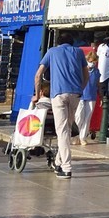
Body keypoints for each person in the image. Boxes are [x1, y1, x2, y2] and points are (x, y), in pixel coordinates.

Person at [35, 39, 89, 179]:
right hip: (75, 93)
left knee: (62, 131)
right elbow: (86, 74)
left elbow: (38, 74)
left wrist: (37, 95)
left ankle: (66, 167)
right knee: (68, 128)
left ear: (58, 42)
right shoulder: (79, 52)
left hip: (58, 93)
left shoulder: (52, 51)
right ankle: (58, 162)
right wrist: (80, 89)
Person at [73, 52, 99, 146]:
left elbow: (97, 83)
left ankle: (82, 137)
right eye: (91, 61)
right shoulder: (81, 70)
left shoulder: (97, 72)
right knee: (78, 117)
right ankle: (75, 136)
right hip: (81, 96)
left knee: (87, 118)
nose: (93, 63)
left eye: (95, 61)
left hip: (92, 96)